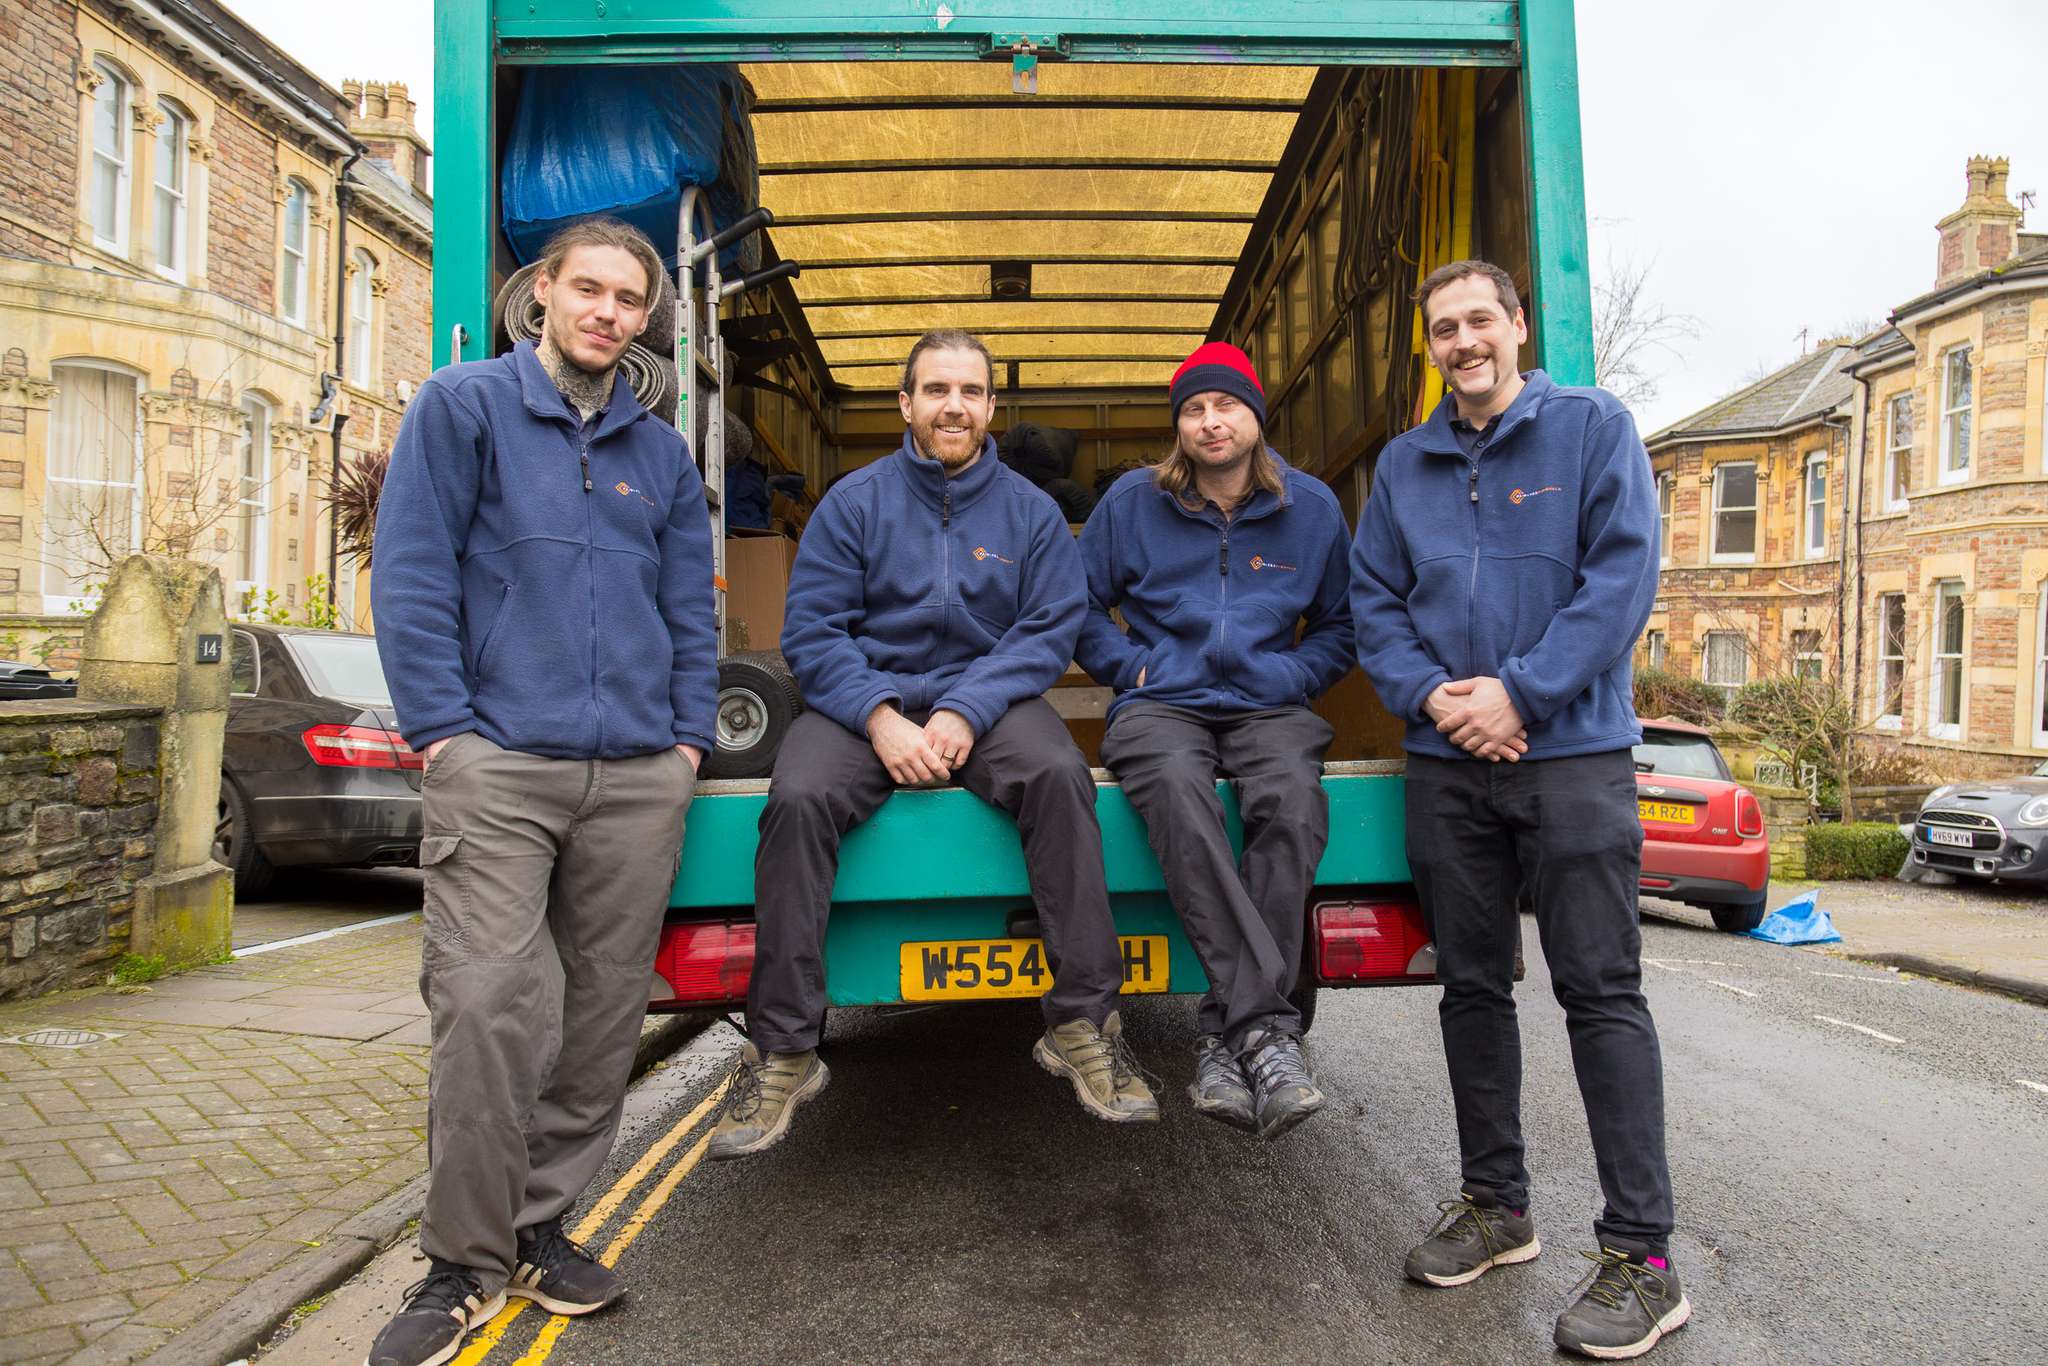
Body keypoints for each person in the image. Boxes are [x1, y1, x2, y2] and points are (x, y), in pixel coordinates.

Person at [367, 218, 716, 1366]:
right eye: (589, 289)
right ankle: (459, 1263)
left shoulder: (660, 453)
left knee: (601, 1017)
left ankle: (536, 1227)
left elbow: (688, 607)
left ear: (644, 321)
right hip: (500, 766)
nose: (607, 312)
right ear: (543, 296)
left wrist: (684, 743)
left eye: (628, 299)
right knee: (485, 1005)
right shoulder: (461, 407)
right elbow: (412, 573)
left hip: (636, 775)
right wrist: (443, 733)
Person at [709, 329, 1156, 1159]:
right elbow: (812, 632)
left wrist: (966, 709)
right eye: (937, 390)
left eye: (971, 392)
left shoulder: (1030, 513)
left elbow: (1048, 629)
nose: (955, 406)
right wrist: (879, 717)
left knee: (1060, 777)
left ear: (990, 407)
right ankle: (783, 1049)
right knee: (797, 797)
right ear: (906, 403)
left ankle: (1084, 1024)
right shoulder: (854, 502)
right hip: (863, 702)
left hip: (988, 701)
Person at [1350, 259, 1686, 1359]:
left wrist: (1520, 694)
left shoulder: (1592, 428)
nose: (1463, 342)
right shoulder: (1403, 465)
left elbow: (1620, 581)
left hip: (1571, 756)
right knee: (1470, 988)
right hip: (1447, 761)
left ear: (1517, 326)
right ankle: (1497, 1206)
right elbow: (1374, 603)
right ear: (1431, 347)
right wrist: (1435, 700)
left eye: (1479, 320)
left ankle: (1643, 1258)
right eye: (1443, 329)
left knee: (1600, 993)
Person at [1076, 342, 1353, 1139]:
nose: (1210, 422)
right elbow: (1076, 604)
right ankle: (1262, 1029)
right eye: (1193, 409)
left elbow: (1342, 624)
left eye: (1226, 405)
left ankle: (1227, 1036)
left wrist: (1293, 674)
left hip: (1269, 705)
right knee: (1175, 792)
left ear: (1255, 416)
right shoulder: (1133, 502)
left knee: (1293, 805)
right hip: (1163, 704)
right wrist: (1131, 668)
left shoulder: (1312, 508)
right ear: (1179, 426)